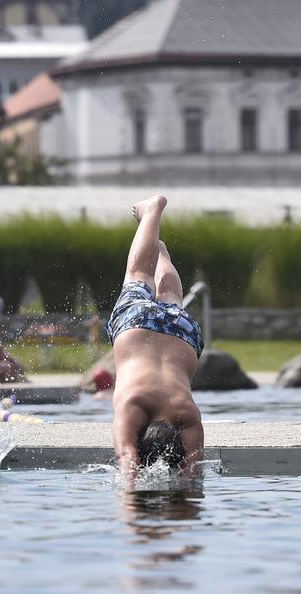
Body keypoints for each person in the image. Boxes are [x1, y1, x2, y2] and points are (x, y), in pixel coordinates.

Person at [108, 194, 204, 478]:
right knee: (138, 274)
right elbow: (127, 457)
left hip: (181, 333)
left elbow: (193, 470)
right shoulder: (133, 405)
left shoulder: (186, 413)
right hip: (135, 328)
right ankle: (151, 210)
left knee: (172, 297)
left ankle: (158, 249)